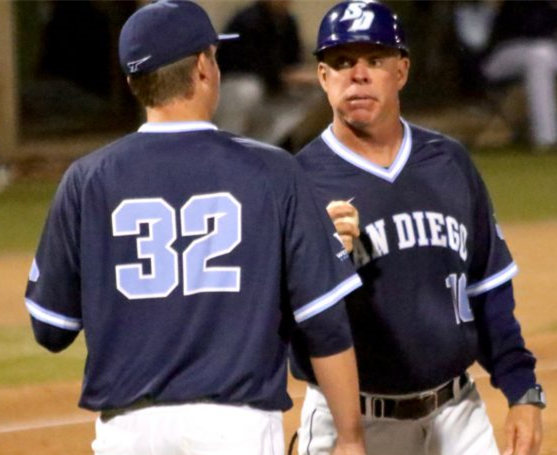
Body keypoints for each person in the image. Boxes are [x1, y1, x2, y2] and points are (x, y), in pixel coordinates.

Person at [23, 1, 367, 454]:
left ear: (133, 82)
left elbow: (51, 328)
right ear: (204, 68)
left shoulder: (87, 180)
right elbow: (324, 323)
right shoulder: (272, 172)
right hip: (236, 428)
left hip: (130, 432)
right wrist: (350, 437)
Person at [289, 2, 545, 455]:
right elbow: (277, 324)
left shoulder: (449, 162)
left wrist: (522, 389)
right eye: (343, 62)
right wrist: (318, 264)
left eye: (375, 60)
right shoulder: (297, 181)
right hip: (353, 423)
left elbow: (488, 291)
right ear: (323, 77)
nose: (359, 74)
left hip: (458, 413)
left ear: (402, 71)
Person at [214, 0, 320, 146]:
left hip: (272, 88)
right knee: (248, 89)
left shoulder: (288, 22)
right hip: (235, 87)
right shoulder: (247, 20)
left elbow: (293, 61)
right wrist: (286, 76)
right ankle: (227, 145)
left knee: (314, 91)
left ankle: (264, 145)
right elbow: (245, 65)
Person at [481, 0, 557, 150]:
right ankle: (547, 139)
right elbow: (532, 30)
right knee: (539, 55)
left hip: (546, 52)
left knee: (542, 54)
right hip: (502, 55)